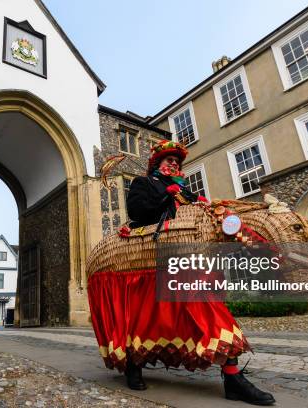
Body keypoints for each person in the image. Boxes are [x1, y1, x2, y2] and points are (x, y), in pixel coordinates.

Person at [124, 140, 275, 406]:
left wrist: (204, 205)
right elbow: (137, 211)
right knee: (146, 316)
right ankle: (133, 364)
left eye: (177, 162)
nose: (174, 164)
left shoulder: (187, 192)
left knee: (210, 310)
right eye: (168, 160)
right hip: (155, 254)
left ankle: (232, 377)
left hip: (190, 256)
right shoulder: (144, 184)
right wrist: (164, 195)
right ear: (157, 165)